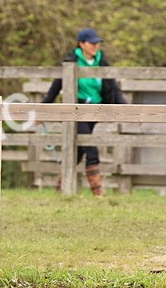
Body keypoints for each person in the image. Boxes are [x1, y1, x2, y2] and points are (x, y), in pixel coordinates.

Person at [41, 27, 127, 197]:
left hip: (95, 110)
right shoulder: (71, 61)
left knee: (78, 151)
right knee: (90, 148)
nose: (95, 46)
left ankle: (61, 187)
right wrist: (44, 109)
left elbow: (112, 88)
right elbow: (56, 86)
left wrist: (126, 109)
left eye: (97, 43)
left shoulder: (102, 62)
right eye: (92, 43)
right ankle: (98, 192)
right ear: (81, 44)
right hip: (76, 110)